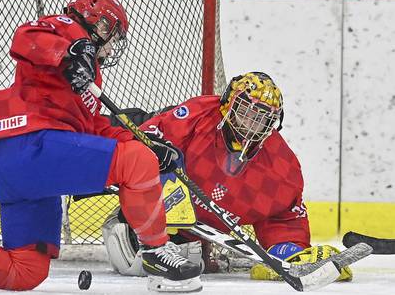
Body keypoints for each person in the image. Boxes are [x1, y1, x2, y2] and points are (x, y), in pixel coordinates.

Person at [0, 0, 201, 292]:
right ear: (101, 24)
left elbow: (92, 129)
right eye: (113, 36)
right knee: (135, 162)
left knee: (27, 271)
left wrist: (146, 143)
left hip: (21, 172)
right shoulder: (68, 29)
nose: (112, 46)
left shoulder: (89, 76)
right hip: (31, 145)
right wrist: (72, 50)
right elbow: (25, 38)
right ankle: (156, 254)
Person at [102, 72, 352, 281]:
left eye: (261, 118)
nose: (251, 123)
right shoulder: (199, 114)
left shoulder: (281, 166)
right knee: (130, 253)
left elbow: (283, 219)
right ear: (227, 105)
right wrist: (163, 184)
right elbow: (147, 142)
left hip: (189, 235)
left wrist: (289, 252)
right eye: (245, 111)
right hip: (152, 207)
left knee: (183, 265)